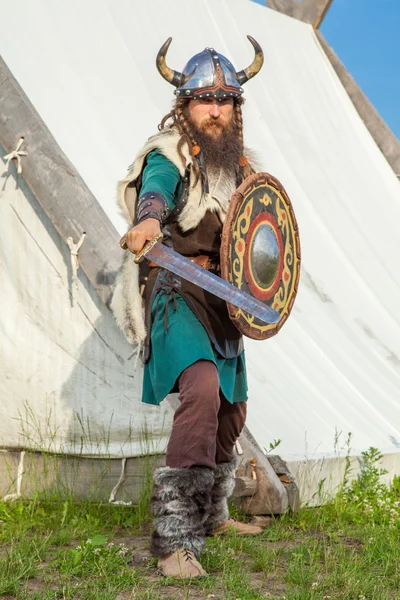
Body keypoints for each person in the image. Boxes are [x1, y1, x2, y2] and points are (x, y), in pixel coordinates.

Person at [112, 36, 264, 578]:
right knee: (200, 390)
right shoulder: (168, 153)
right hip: (177, 288)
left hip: (226, 299)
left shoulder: (241, 168)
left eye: (226, 100)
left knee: (232, 407)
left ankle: (214, 513)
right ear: (185, 105)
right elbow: (155, 189)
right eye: (205, 99)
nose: (216, 109)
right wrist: (150, 219)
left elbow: (261, 234)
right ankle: (175, 539)